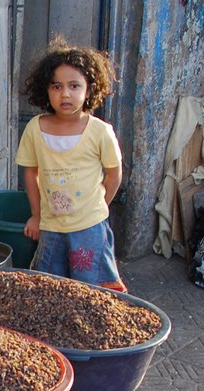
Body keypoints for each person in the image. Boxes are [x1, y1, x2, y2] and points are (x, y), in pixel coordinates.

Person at [18, 36, 127, 291]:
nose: (65, 93)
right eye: (56, 86)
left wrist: (98, 207)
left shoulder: (100, 131)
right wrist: (36, 216)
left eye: (74, 86)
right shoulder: (35, 128)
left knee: (92, 287)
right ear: (45, 89)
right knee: (50, 286)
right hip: (51, 227)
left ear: (89, 88)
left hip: (90, 227)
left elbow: (114, 174)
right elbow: (30, 174)